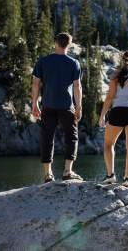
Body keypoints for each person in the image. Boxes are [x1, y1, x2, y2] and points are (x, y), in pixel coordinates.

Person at [31, 33, 83, 183]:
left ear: (55, 42)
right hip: (67, 106)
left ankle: (48, 174)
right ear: (69, 44)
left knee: (47, 137)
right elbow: (77, 86)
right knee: (71, 137)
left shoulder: (43, 61)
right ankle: (67, 171)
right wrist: (79, 106)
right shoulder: (74, 63)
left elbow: (35, 84)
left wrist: (35, 104)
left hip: (48, 105)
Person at [98, 50, 128, 186]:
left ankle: (110, 175)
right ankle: (127, 179)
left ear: (122, 61)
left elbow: (109, 97)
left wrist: (102, 115)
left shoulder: (115, 76)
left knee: (108, 144)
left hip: (118, 111)